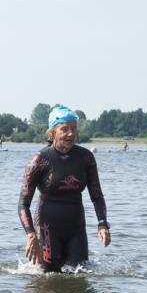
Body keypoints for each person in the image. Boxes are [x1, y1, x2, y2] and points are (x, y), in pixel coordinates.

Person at [19, 105, 111, 272]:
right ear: (53, 132)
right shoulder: (40, 160)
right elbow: (23, 204)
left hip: (76, 228)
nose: (71, 133)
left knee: (80, 276)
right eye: (65, 129)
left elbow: (97, 196)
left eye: (74, 128)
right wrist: (31, 234)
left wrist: (102, 224)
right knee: (48, 281)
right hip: (47, 229)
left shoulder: (85, 158)